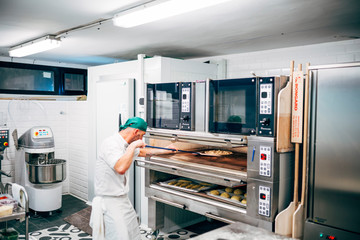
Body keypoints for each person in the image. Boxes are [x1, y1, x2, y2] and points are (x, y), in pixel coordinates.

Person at [90, 117, 175, 240]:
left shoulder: (125, 145)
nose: (141, 139)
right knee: (120, 236)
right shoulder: (110, 144)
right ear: (135, 132)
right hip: (110, 202)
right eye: (141, 135)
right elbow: (120, 168)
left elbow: (144, 152)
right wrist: (133, 146)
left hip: (123, 199)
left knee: (133, 233)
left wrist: (168, 150)